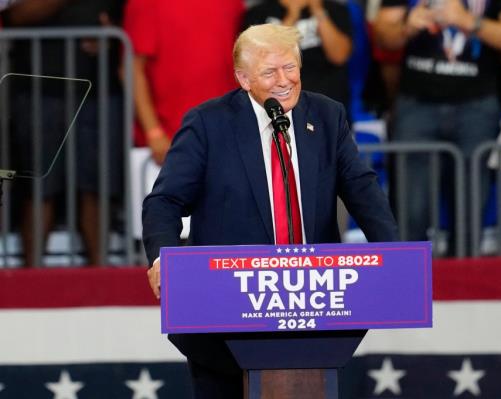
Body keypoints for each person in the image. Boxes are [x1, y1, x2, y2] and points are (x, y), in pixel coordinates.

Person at [142, 23, 399, 398]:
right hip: (223, 318)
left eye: (290, 67)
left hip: (313, 309)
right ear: (243, 79)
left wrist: (391, 253)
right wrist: (164, 257)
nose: (284, 81)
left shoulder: (327, 117)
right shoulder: (208, 123)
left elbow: (362, 189)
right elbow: (164, 201)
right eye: (270, 72)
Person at [373, 0, 501, 251]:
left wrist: (467, 20)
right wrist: (407, 28)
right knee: (409, 210)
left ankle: (464, 285)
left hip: (476, 106)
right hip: (417, 104)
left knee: (470, 210)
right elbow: (383, 36)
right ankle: (405, 285)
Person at [2, 0, 125, 267]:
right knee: (39, 187)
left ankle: (102, 279)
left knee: (98, 187)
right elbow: (15, 17)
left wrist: (111, 35)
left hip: (100, 89)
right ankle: (32, 282)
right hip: (39, 90)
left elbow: (129, 18)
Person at [123, 0, 245, 165]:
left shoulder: (233, 3)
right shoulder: (146, 3)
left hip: (228, 132)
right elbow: (132, 69)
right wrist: (153, 131)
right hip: (169, 139)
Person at [242, 0, 353, 113]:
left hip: (328, 106)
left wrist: (318, 11)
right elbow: (260, 62)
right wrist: (292, 16)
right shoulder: (258, 13)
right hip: (276, 108)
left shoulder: (335, 9)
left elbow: (339, 56)